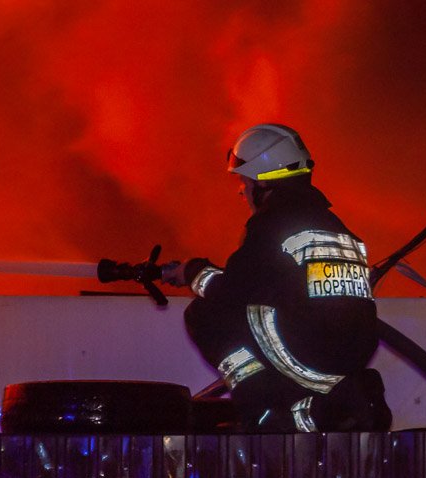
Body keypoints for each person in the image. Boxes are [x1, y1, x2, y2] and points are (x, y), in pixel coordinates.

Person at [161, 123, 391, 432]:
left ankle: (261, 412)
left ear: (262, 182)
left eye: (244, 181)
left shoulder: (274, 224)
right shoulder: (339, 229)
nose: (241, 190)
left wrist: (191, 271)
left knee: (206, 314)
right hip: (350, 359)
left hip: (308, 357)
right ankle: (326, 410)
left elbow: (230, 291)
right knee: (265, 311)